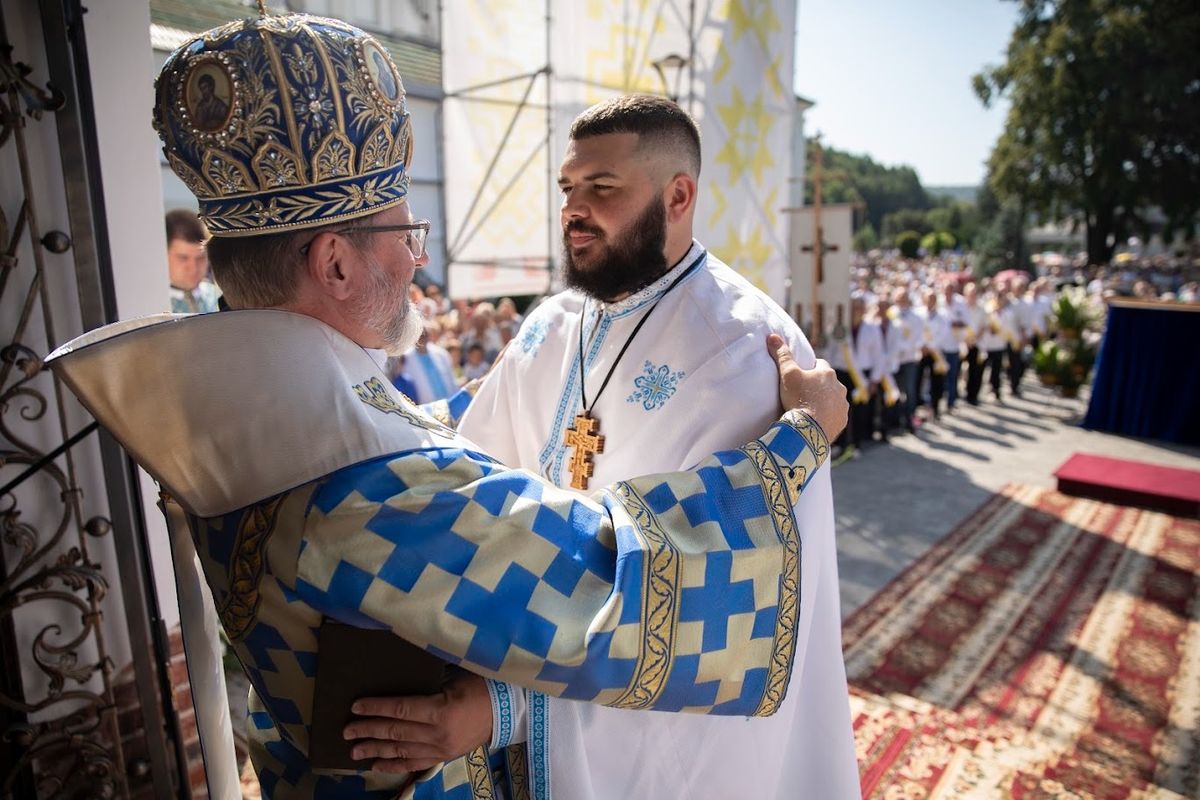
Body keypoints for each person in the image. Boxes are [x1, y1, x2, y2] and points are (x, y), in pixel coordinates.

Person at [45, 15, 849, 800]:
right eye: (404, 231)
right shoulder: (370, 495)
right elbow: (627, 591)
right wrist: (803, 437)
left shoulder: (240, 410)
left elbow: (423, 429)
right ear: (333, 264)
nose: (416, 255)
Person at [350, 94, 859, 799]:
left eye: (602, 188)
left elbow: (708, 613)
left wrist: (503, 710)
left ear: (678, 196)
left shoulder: (744, 354)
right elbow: (467, 470)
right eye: (567, 188)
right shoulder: (552, 325)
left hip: (661, 756)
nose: (573, 209)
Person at [164, 209, 221, 314]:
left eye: (200, 258)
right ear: (163, 255)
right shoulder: (150, 302)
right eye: (183, 258)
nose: (193, 268)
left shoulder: (219, 298)